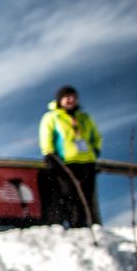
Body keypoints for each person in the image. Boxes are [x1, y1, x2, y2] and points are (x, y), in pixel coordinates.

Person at [39, 84, 102, 227]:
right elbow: (46, 136)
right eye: (67, 97)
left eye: (73, 97)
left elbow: (96, 136)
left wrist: (95, 150)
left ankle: (83, 224)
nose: (70, 100)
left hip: (87, 161)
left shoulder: (85, 117)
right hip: (65, 162)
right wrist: (49, 153)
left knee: (86, 195)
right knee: (68, 193)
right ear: (60, 100)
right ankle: (71, 225)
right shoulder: (52, 117)